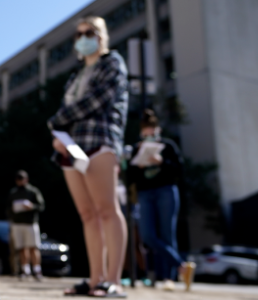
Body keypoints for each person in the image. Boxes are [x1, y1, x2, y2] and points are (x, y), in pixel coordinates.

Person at [48, 16, 129, 297]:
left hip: (99, 142)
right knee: (87, 214)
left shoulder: (112, 63)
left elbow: (97, 100)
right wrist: (58, 135)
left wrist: (57, 121)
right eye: (79, 34)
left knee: (107, 209)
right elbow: (68, 114)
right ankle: (95, 280)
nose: (83, 37)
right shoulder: (75, 76)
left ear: (101, 35)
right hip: (71, 149)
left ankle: (113, 281)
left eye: (89, 32)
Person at [126, 109, 196, 291]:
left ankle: (168, 278)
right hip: (145, 193)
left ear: (158, 131)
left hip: (166, 190)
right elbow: (129, 177)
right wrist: (138, 166)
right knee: (148, 235)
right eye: (146, 135)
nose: (149, 137)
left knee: (167, 235)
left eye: (153, 134)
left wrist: (161, 162)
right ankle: (182, 266)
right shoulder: (136, 148)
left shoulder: (168, 146)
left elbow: (180, 170)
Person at [8, 170, 45, 281]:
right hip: (17, 223)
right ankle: (25, 270)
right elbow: (8, 208)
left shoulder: (33, 191)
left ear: (26, 179)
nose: (20, 181)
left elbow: (41, 206)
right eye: (18, 179)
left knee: (33, 247)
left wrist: (32, 206)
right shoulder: (13, 193)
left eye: (22, 179)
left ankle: (37, 270)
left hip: (30, 223)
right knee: (21, 248)